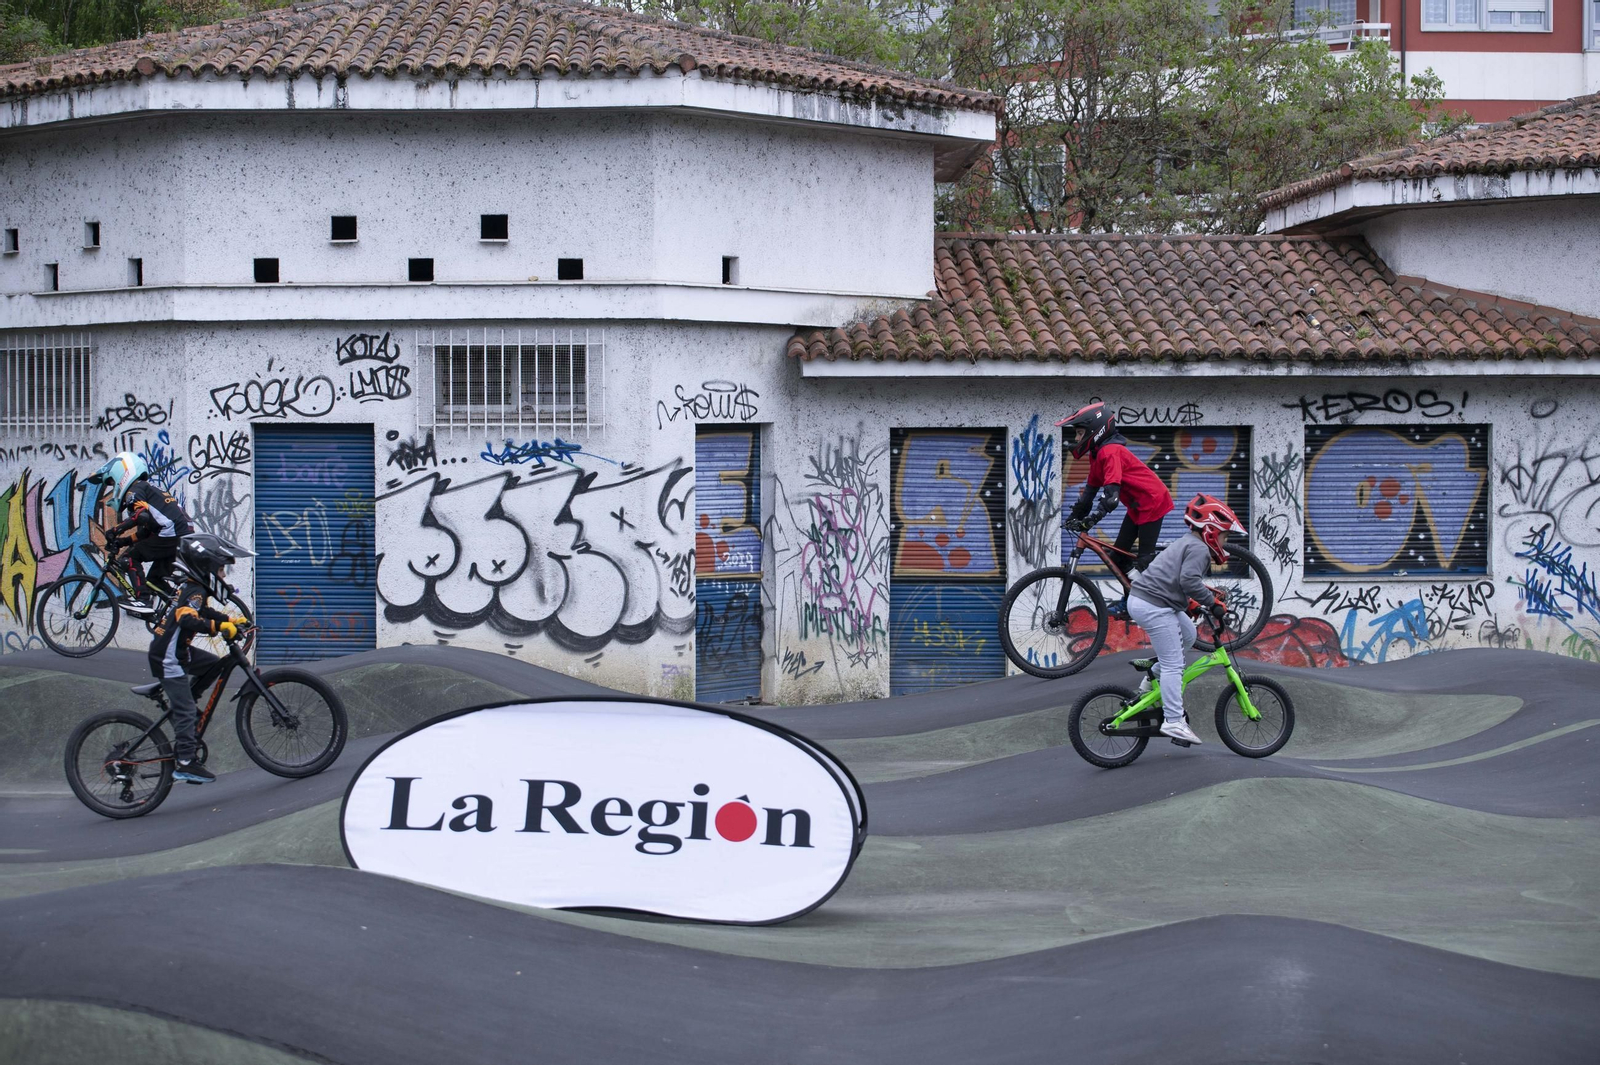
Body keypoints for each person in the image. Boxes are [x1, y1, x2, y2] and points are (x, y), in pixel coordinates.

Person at [1126, 494, 1243, 746]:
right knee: (1174, 664)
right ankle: (1173, 720)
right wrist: (1212, 604)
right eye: (1225, 536)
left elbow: (1170, 576)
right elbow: (1188, 581)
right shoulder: (1199, 549)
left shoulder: (1188, 542)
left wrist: (1189, 602)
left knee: (1188, 634)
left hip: (1152, 600)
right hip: (1152, 605)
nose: (1225, 542)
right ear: (1211, 531)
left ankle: (1152, 677)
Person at [148, 533, 252, 785]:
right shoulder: (193, 589)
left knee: (216, 663)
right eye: (221, 570)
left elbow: (202, 611)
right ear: (205, 567)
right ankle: (185, 762)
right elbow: (186, 618)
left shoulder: (195, 587)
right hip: (169, 658)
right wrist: (219, 628)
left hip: (178, 652)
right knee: (184, 713)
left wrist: (230, 620)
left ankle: (188, 697)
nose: (224, 576)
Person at [1058, 402, 1175, 610]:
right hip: (1137, 506)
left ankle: (1156, 601)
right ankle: (1132, 602)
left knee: (1143, 561)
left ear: (1095, 430)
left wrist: (1093, 518)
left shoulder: (1110, 451)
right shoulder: (1097, 455)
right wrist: (1073, 517)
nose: (1076, 439)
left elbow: (1111, 497)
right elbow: (1090, 492)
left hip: (1152, 501)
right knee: (1117, 557)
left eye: (1079, 433)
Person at [93, 453, 193, 614]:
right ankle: (186, 610)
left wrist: (115, 530)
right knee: (155, 580)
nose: (114, 486)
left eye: (112, 481)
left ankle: (143, 601)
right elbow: (148, 530)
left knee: (129, 559)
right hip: (179, 535)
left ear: (122, 473)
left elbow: (141, 516)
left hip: (172, 534)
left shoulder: (135, 489)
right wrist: (123, 541)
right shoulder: (147, 489)